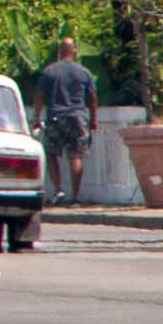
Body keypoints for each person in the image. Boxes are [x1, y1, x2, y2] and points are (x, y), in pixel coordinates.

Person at [36, 38, 99, 203]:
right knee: (75, 156)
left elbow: (40, 97)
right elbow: (92, 98)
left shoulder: (49, 71)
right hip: (78, 117)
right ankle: (75, 196)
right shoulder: (84, 72)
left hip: (55, 117)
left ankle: (58, 190)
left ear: (59, 51)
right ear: (73, 51)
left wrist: (36, 117)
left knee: (51, 154)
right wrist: (93, 119)